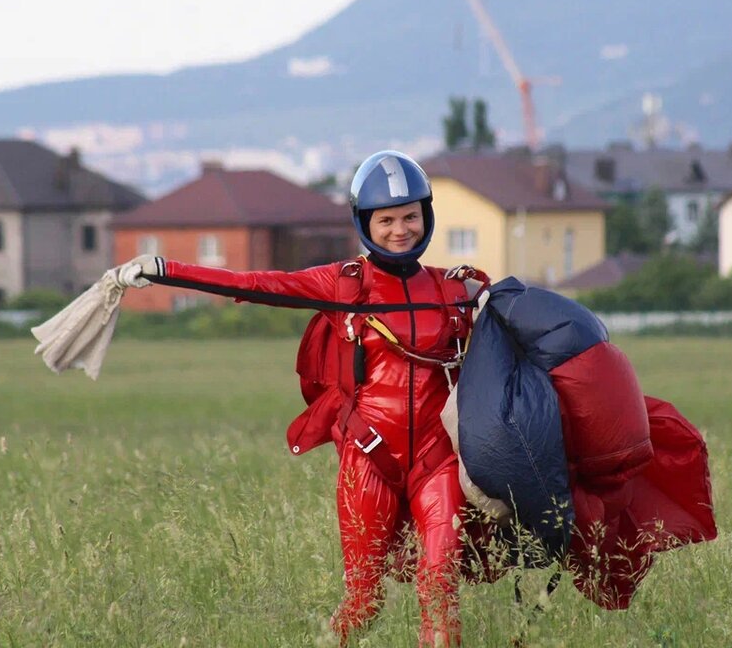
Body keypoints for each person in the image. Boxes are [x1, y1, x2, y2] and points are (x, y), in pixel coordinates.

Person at [115, 150, 487, 647]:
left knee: (440, 585)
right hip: (370, 457)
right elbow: (254, 283)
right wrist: (166, 270)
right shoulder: (341, 284)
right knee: (364, 602)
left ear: (427, 216)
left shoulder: (453, 288)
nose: (401, 230)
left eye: (410, 217)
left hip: (438, 460)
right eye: (387, 220)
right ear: (364, 222)